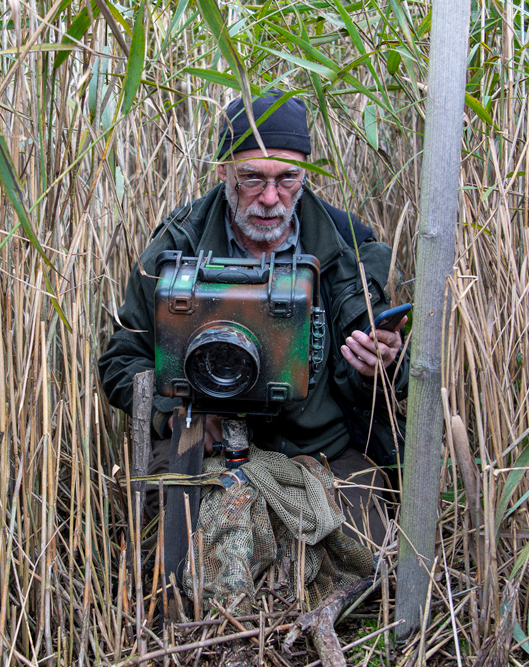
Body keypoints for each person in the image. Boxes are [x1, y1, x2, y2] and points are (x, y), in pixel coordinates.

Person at [98, 90, 408, 546]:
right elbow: (122, 359)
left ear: (306, 175)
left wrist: (379, 367)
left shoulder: (349, 250)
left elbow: (383, 383)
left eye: (287, 179)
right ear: (223, 170)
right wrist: (174, 416)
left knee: (366, 553)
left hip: (320, 446)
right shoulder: (177, 247)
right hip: (208, 441)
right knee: (179, 552)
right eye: (251, 178)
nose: (269, 198)